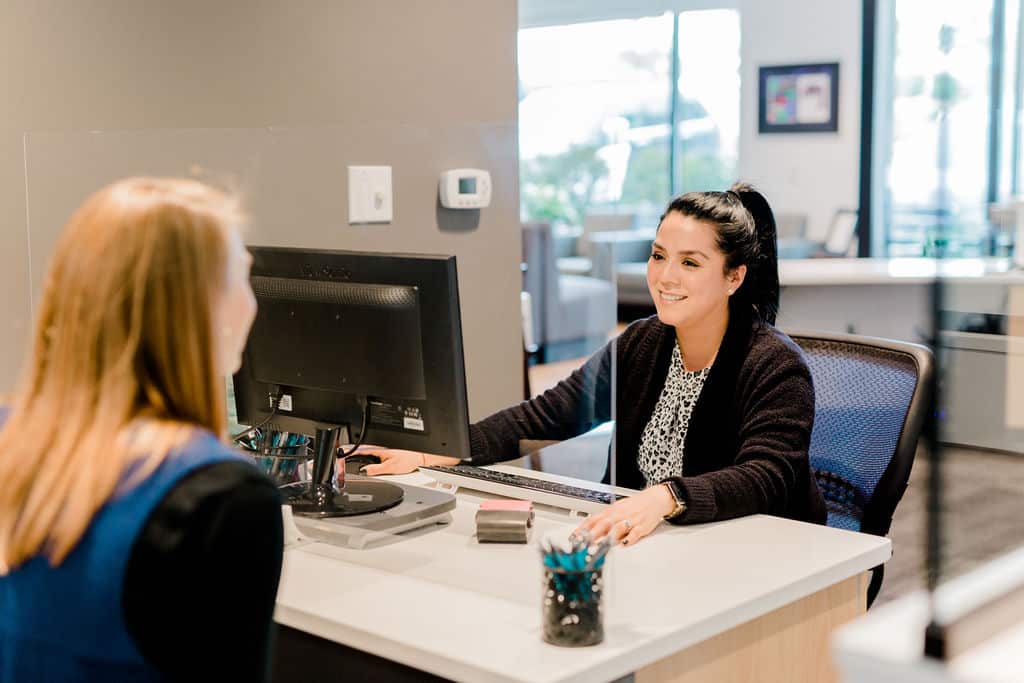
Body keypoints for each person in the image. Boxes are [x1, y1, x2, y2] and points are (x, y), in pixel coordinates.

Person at [354, 183, 826, 545]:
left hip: (751, 553)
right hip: (652, 544)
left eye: (690, 263)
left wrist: (667, 497)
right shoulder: (644, 342)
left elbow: (768, 475)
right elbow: (549, 414)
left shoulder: (774, 365)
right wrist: (442, 447)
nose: (665, 276)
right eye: (659, 256)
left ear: (734, 277)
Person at [0, 178, 283, 681]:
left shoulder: (11, 440)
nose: (253, 306)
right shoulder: (220, 496)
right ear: (192, 309)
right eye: (241, 279)